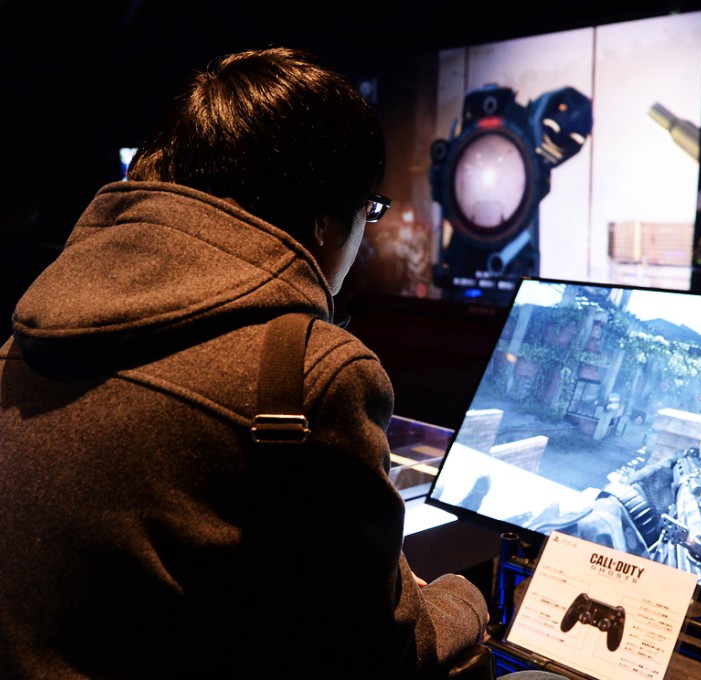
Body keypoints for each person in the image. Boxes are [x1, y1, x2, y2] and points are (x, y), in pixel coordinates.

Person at [0, 46, 495, 679]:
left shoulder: (31, 329)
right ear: (324, 221)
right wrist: (463, 598)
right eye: (369, 211)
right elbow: (382, 653)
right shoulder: (310, 371)